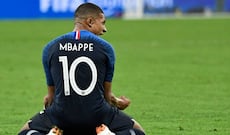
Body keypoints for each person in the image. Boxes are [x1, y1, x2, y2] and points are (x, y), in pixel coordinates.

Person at [18, 2, 145, 135]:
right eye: (103, 22)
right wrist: (117, 102)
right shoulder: (105, 48)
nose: (105, 29)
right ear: (90, 21)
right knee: (138, 131)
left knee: (24, 132)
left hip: (62, 117)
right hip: (97, 117)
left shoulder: (50, 48)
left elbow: (51, 97)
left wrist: (49, 113)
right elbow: (107, 96)